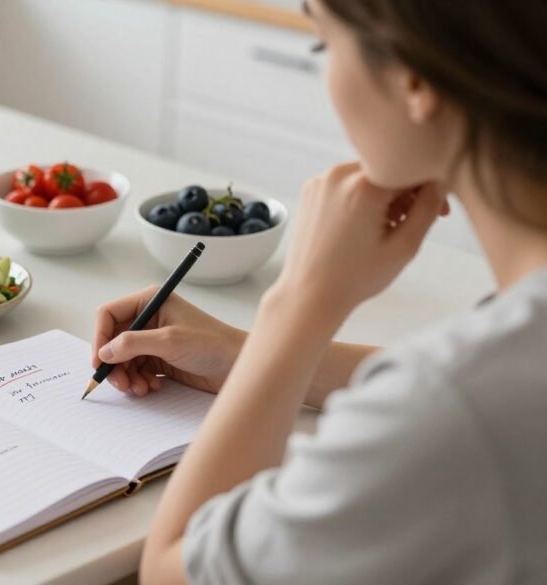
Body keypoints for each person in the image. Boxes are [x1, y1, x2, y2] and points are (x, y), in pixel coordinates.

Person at [92, 1, 547, 583]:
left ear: (414, 80)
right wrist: (243, 355)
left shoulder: (449, 414)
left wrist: (298, 304)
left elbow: (172, 568)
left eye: (324, 44)